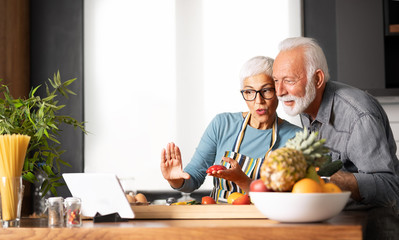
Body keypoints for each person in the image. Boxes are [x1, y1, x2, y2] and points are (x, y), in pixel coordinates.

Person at [272, 37, 399, 216]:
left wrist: (328, 179)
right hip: (336, 214)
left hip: (376, 219)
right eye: (276, 80)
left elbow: (389, 188)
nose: (280, 91)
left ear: (317, 79)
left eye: (289, 81)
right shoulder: (305, 102)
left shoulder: (359, 116)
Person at [161, 56, 301, 203]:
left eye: (266, 90)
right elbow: (194, 178)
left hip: (264, 222)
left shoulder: (295, 138)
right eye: (249, 92)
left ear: (278, 91)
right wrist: (175, 180)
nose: (258, 101)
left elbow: (287, 200)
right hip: (219, 221)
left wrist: (242, 181)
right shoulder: (222, 124)